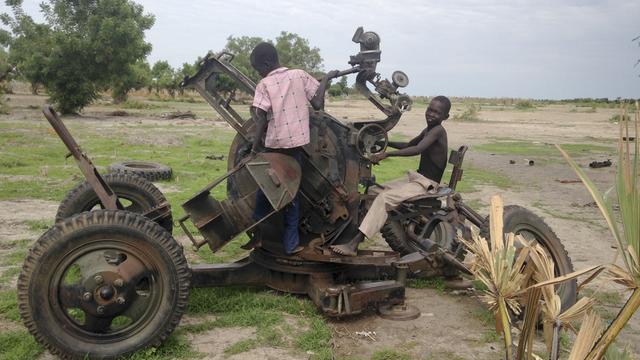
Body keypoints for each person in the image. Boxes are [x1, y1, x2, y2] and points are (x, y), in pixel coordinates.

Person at [246, 42, 338, 255]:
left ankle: (258, 234)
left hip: (273, 148)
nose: (258, 72)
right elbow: (317, 103)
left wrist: (253, 150)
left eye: (258, 68)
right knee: (292, 196)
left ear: (267, 63)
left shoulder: (265, 84)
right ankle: (290, 244)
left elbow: (260, 120)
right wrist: (325, 79)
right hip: (295, 149)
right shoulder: (300, 75)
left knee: (265, 190)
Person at [331, 95, 451, 256]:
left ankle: (353, 245)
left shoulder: (438, 131)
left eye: (436, 112)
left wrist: (387, 154)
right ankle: (356, 233)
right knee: (373, 191)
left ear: (445, 117)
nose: (431, 114)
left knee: (384, 198)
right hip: (417, 179)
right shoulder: (429, 129)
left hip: (427, 184)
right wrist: (382, 141)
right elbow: (409, 145)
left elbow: (417, 149)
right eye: (430, 109)